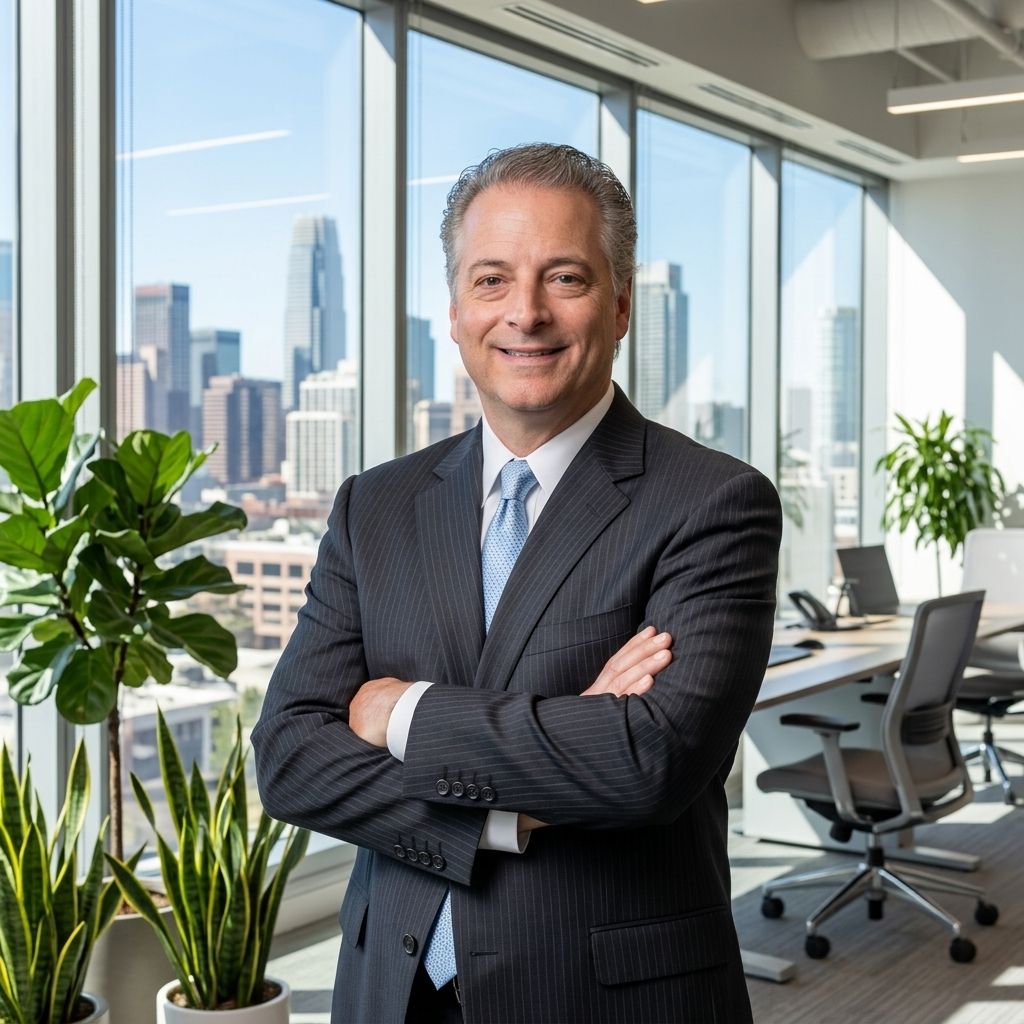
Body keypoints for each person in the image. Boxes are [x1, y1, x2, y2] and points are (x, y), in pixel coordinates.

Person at [252, 142, 782, 1024]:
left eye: (564, 278)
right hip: (395, 989)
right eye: (492, 280)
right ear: (456, 310)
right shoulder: (373, 507)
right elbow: (290, 758)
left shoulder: (713, 503)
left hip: (606, 998)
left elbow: (647, 760)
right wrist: (509, 812)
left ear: (618, 309)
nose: (525, 314)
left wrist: (401, 713)